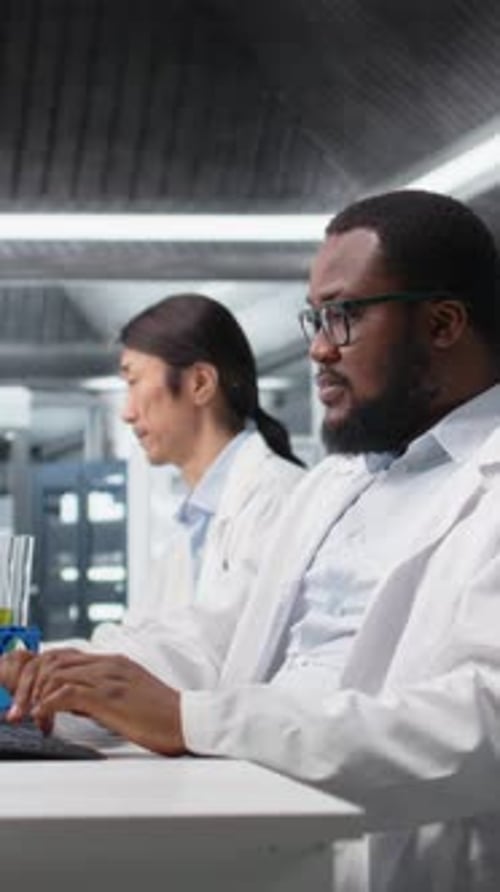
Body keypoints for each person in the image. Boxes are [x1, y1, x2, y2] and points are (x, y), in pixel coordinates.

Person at [4, 189, 500, 892]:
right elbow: (219, 633)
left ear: (444, 322)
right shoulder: (339, 482)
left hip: (391, 861)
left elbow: (482, 723)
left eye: (344, 316)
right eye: (315, 319)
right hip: (257, 823)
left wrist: (194, 718)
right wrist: (71, 676)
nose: (319, 348)